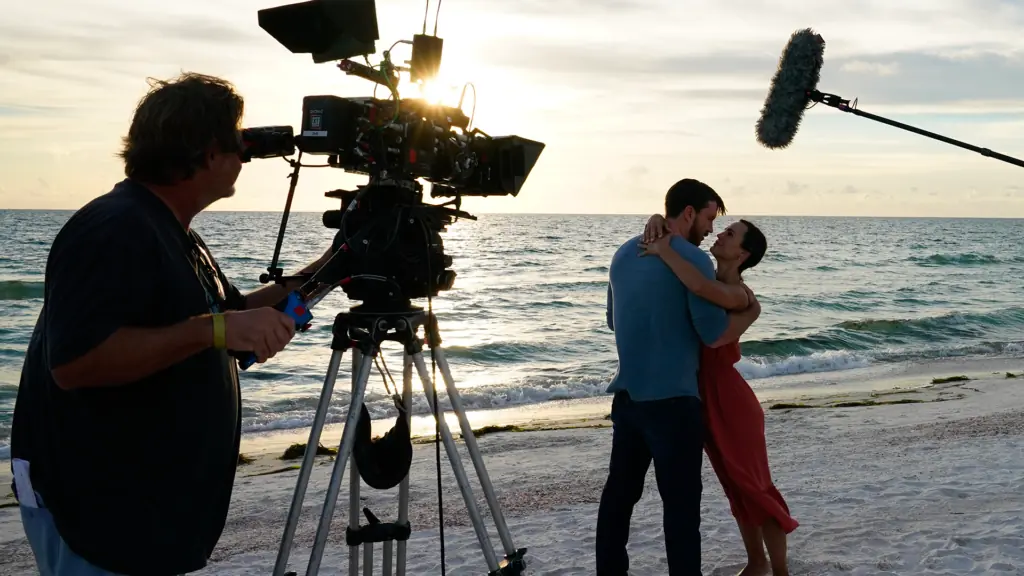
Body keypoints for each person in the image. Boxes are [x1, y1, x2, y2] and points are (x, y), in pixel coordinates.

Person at [9, 72, 336, 576]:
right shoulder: (115, 226)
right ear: (208, 153)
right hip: (97, 520)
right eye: (238, 143)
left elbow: (236, 316)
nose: (244, 157)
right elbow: (75, 363)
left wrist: (333, 267)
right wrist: (216, 331)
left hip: (141, 518)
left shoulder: (170, 230)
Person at [596, 178, 762, 576]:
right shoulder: (694, 259)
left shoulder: (622, 253)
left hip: (629, 399)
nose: (708, 230)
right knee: (682, 510)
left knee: (618, 501)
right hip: (674, 403)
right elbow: (710, 333)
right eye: (707, 218)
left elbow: (611, 320)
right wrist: (747, 313)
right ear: (688, 213)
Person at [640, 215, 797, 576]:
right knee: (735, 488)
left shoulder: (739, 296)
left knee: (756, 488)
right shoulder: (706, 277)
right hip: (703, 399)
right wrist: (657, 220)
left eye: (730, 234)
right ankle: (756, 563)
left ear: (742, 255)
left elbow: (696, 288)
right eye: (722, 229)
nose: (721, 235)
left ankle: (781, 572)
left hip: (731, 402)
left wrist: (664, 247)